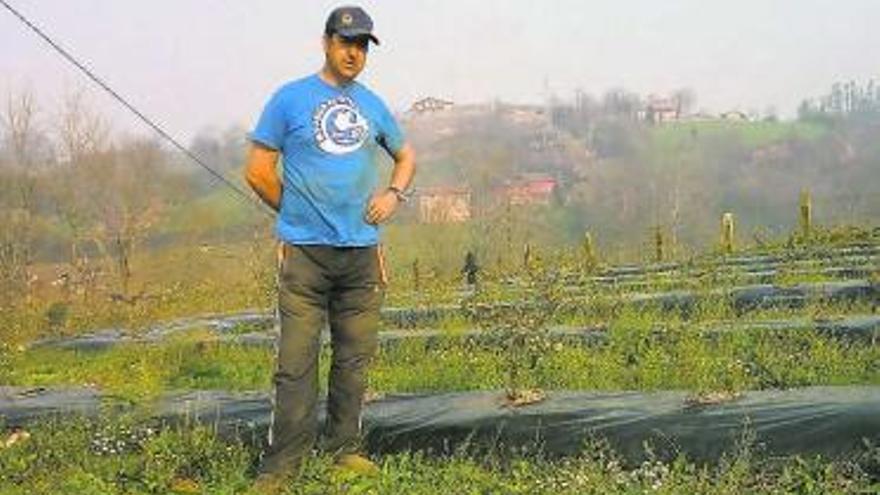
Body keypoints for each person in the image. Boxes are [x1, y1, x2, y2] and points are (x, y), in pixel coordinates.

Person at [243, 5, 416, 490]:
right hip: (305, 255)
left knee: (354, 357)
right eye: (346, 43)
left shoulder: (373, 105)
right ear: (326, 43)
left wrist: (393, 194)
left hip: (362, 253)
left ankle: (344, 450)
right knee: (295, 362)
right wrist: (296, 212)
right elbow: (257, 170)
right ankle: (281, 466)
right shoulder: (289, 99)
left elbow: (405, 156)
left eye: (362, 46)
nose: (353, 53)